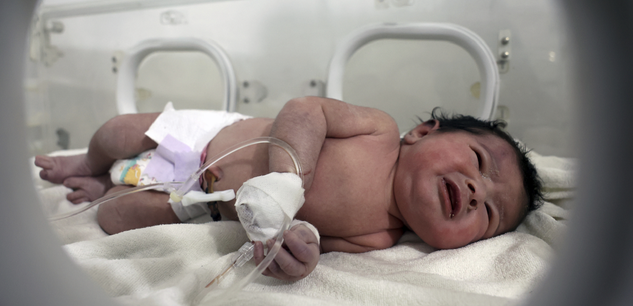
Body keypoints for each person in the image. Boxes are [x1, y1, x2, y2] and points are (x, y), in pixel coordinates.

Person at [35, 96, 543, 281]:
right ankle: (89, 162)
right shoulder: (379, 132)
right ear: (424, 132)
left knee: (113, 218)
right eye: (479, 162)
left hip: (205, 206)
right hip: (211, 140)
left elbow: (311, 238)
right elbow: (305, 110)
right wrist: (288, 179)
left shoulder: (380, 237)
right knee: (119, 132)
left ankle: (104, 185)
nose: (477, 192)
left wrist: (296, 251)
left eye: (490, 215)